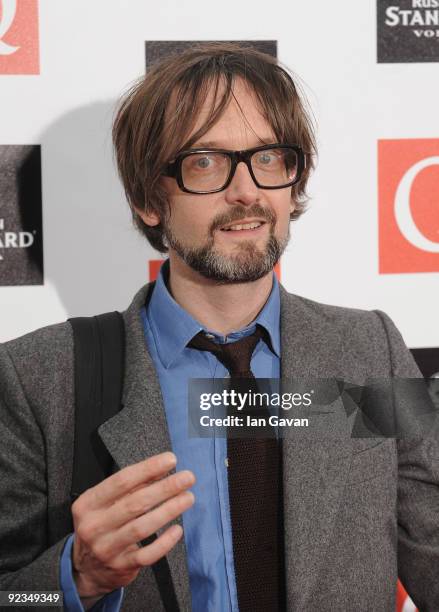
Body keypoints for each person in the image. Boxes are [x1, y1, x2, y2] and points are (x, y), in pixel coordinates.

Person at [0, 43, 438, 612]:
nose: (248, 192)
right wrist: (76, 575)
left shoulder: (369, 350)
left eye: (270, 158)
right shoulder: (37, 378)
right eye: (205, 162)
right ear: (147, 199)